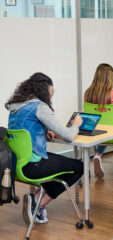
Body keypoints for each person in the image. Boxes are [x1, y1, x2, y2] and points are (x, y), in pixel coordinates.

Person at [5, 72, 84, 226]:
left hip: (15, 166)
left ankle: (37, 203)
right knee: (78, 167)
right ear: (43, 90)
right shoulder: (40, 107)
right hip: (32, 165)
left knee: (57, 167)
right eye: (51, 91)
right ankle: (37, 203)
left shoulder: (15, 107)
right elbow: (68, 135)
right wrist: (76, 124)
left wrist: (45, 134)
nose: (51, 95)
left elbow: (25, 134)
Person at [84, 63, 113, 178]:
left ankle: (97, 155)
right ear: (110, 78)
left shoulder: (88, 93)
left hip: (96, 133)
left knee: (105, 127)